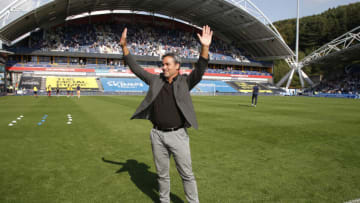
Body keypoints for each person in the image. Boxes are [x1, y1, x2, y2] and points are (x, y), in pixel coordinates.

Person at [119, 25, 213, 203]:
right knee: (162, 176)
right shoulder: (155, 80)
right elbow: (137, 69)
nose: (164, 67)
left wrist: (205, 47)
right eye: (163, 64)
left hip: (177, 135)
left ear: (177, 66)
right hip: (157, 135)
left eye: (167, 64)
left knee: (186, 174)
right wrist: (124, 47)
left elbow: (200, 70)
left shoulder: (185, 82)